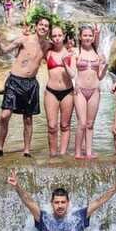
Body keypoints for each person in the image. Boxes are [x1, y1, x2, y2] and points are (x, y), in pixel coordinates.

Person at [0, 21, 48, 159]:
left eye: (46, 26)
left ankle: (26, 150)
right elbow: (3, 51)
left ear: (48, 29)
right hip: (15, 81)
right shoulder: (24, 39)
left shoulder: (47, 45)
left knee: (28, 119)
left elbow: (59, 50)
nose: (43, 28)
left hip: (31, 84)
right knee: (4, 115)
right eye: (41, 25)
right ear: (36, 26)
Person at [67, 25, 106, 159]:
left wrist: (105, 67)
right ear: (80, 36)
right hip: (80, 91)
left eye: (90, 35)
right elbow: (72, 74)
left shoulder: (98, 53)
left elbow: (100, 76)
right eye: (85, 35)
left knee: (90, 124)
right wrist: (65, 65)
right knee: (82, 123)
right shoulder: (76, 52)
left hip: (95, 90)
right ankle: (78, 152)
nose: (88, 38)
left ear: (93, 37)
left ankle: (89, 152)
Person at [44, 26, 75, 157]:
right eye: (54, 36)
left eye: (59, 35)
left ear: (63, 36)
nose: (57, 38)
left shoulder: (70, 53)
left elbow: (72, 74)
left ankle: (62, 155)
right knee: (51, 126)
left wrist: (65, 63)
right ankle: (52, 155)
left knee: (65, 125)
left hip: (67, 92)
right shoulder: (48, 52)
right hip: (51, 92)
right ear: (51, 38)